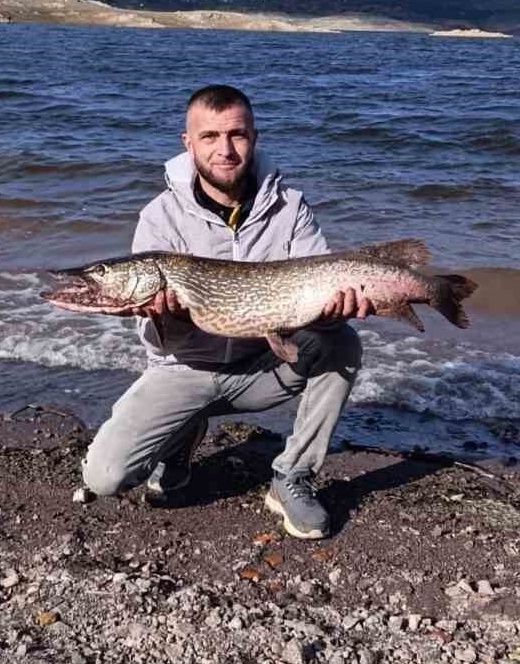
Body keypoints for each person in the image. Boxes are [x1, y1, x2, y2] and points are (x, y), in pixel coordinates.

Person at [80, 84, 372, 538]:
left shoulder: (290, 208)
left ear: (254, 137)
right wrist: (165, 315)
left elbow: (316, 302)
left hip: (266, 365)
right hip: (185, 369)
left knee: (341, 342)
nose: (225, 149)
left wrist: (336, 311)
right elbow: (153, 339)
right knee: (104, 477)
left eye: (236, 135)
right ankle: (180, 438)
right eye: (210, 136)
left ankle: (292, 476)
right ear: (188, 143)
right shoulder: (160, 217)